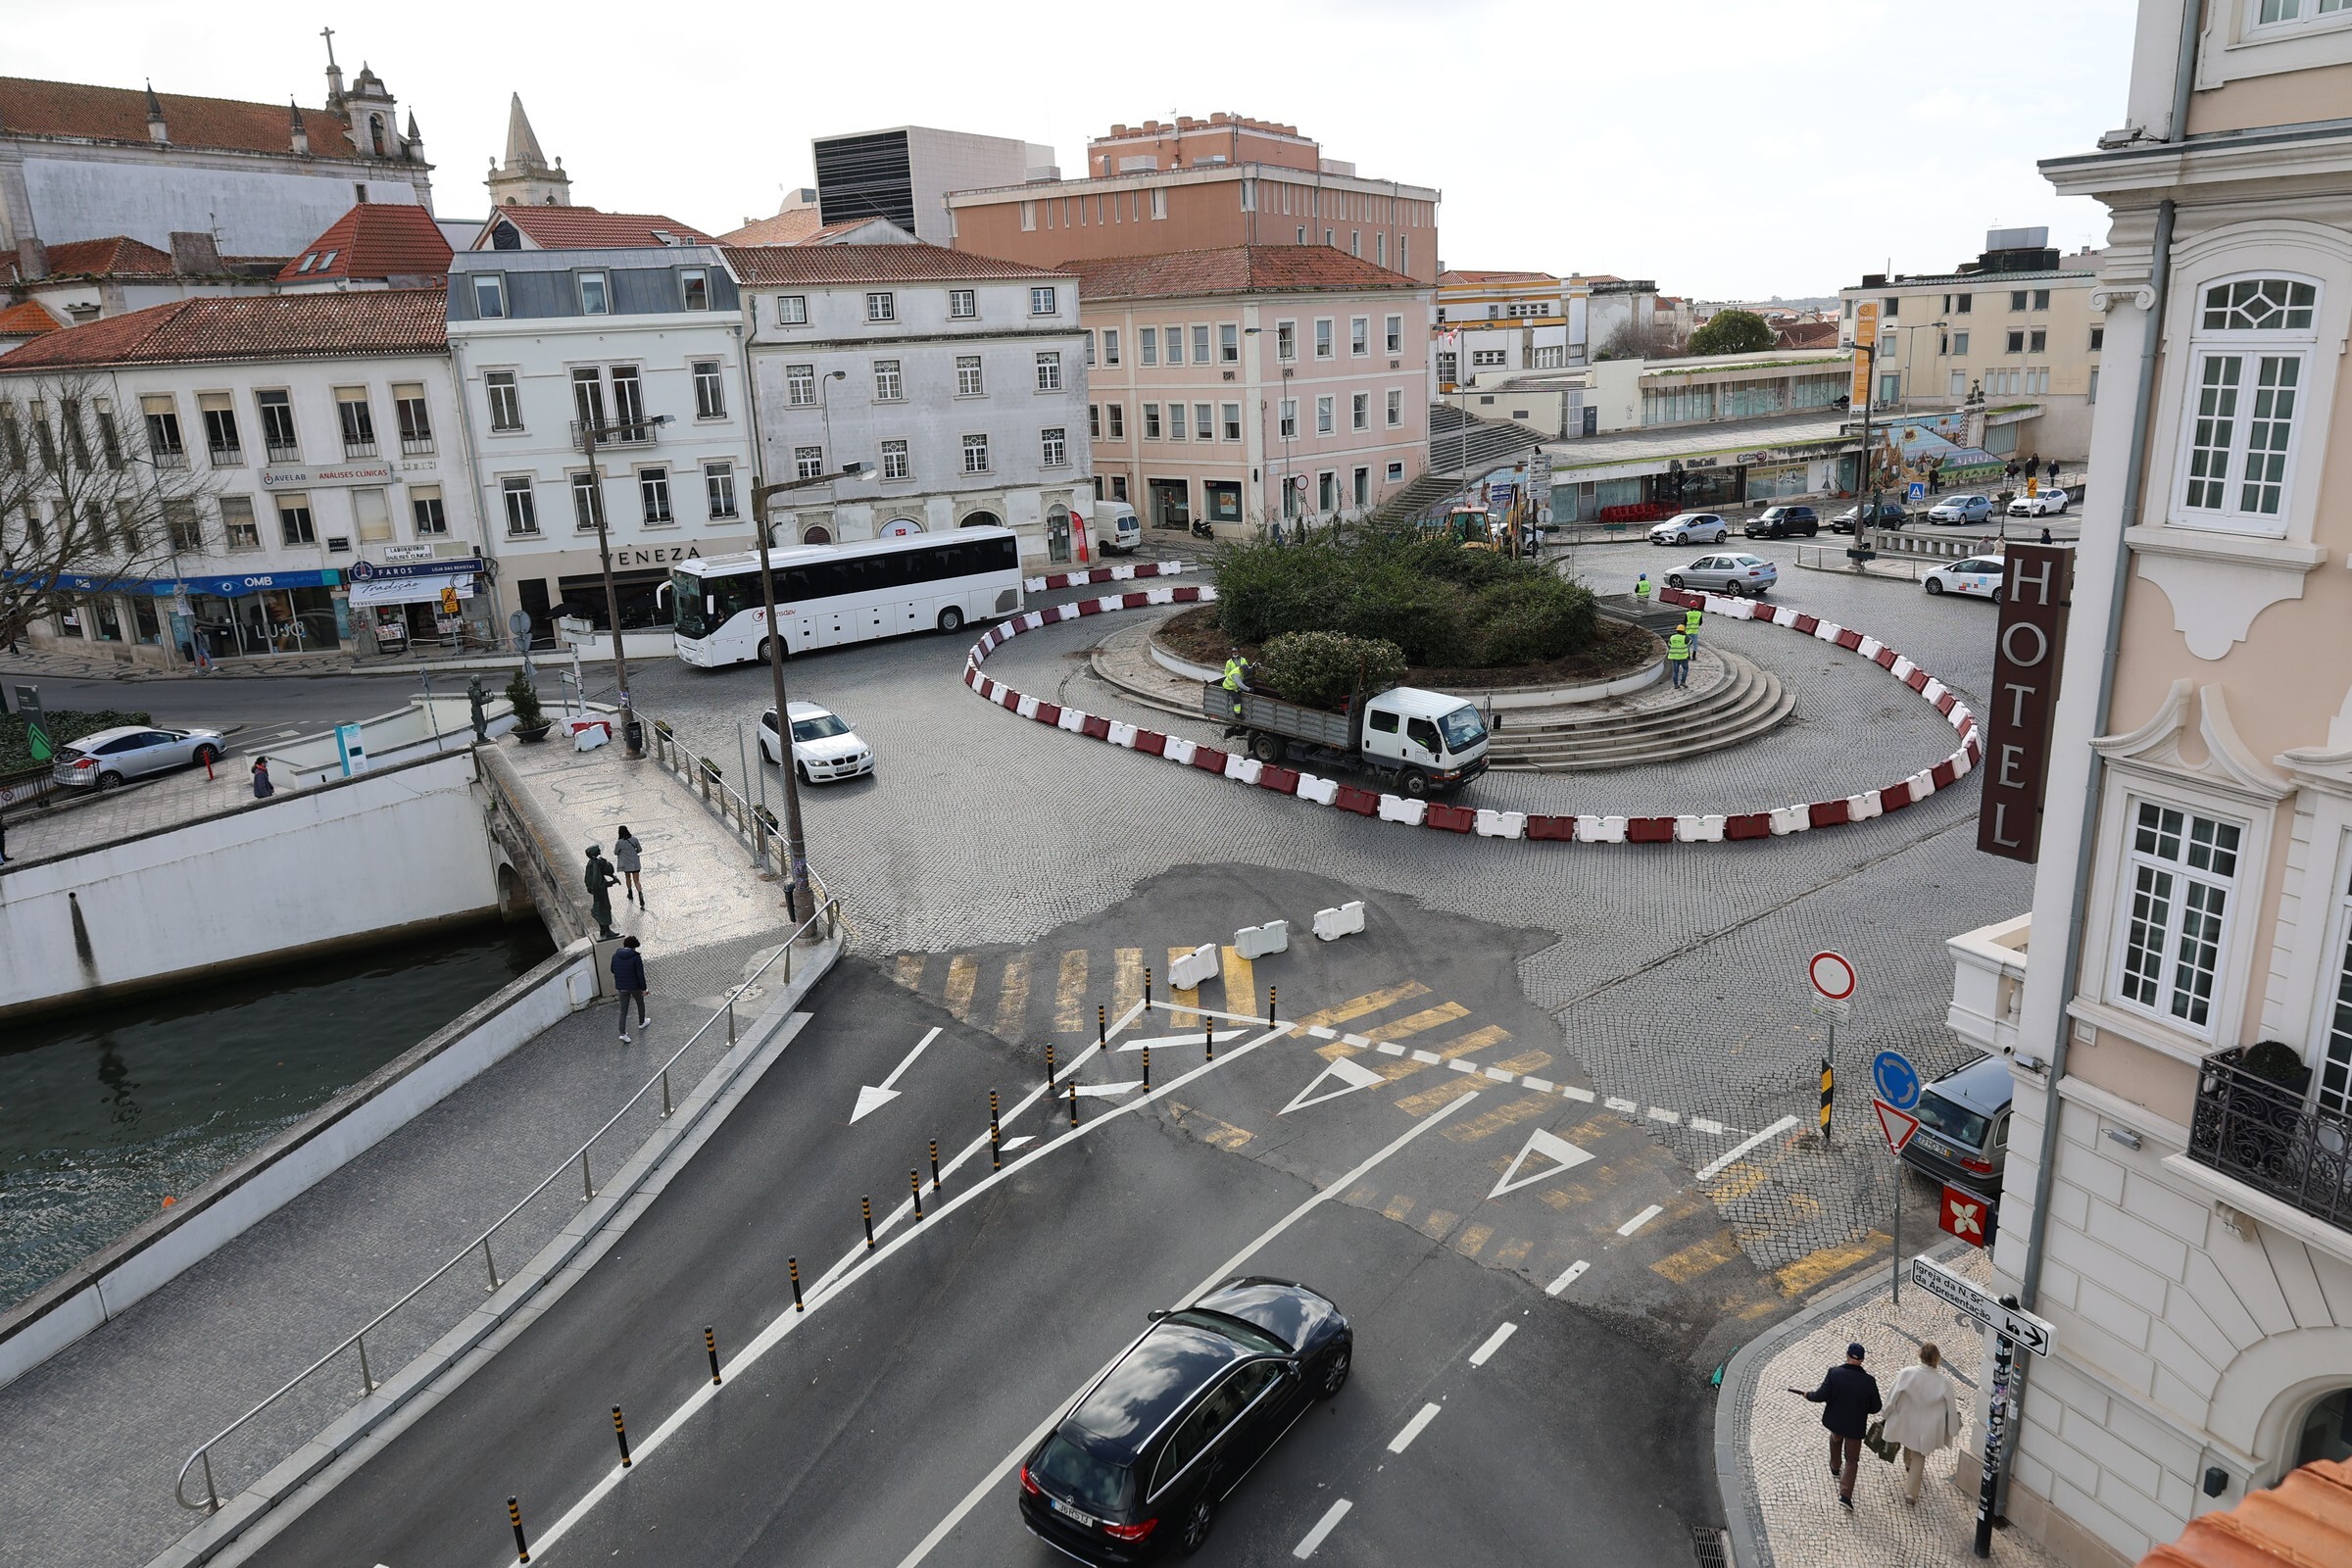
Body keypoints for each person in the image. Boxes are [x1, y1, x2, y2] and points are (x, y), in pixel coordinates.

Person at [1792, 1343, 1883, 1510]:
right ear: (1862, 1360)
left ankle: (1835, 1465)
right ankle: (1845, 1495)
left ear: (1847, 1355)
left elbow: (1821, 1395)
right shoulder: (1869, 1381)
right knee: (1853, 1458)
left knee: (1835, 1438)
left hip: (1836, 1421)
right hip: (1855, 1426)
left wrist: (1807, 1395)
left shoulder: (1835, 1373)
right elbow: (1876, 1407)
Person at [1882, 1343, 1961, 1505]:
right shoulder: (1944, 1382)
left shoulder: (1907, 1373)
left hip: (1907, 1419)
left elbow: (1892, 1395)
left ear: (1920, 1356)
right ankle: (1910, 1493)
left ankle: (1907, 1463)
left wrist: (1886, 1412)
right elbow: (1951, 1407)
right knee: (1919, 1453)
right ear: (1937, 1359)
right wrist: (1953, 1428)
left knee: (1908, 1441)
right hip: (1928, 1426)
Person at [612, 935, 648, 1044]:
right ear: (633, 947)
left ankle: (623, 1033)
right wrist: (644, 988)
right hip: (635, 986)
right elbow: (640, 974)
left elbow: (612, 970)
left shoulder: (615, 956)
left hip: (622, 987)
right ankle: (642, 1022)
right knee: (640, 1004)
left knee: (623, 1011)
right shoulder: (635, 957)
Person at [584, 844, 620, 942]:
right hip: (600, 892)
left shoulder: (593, 862)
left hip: (597, 892)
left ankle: (603, 930)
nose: (600, 851)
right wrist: (612, 882)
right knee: (604, 908)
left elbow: (603, 872)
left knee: (602, 907)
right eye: (598, 850)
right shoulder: (595, 864)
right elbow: (599, 882)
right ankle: (607, 930)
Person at [613, 825, 646, 908]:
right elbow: (639, 850)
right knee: (637, 880)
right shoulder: (634, 839)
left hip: (626, 864)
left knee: (628, 877)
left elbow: (616, 852)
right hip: (635, 864)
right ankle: (640, 894)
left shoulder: (619, 842)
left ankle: (630, 893)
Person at [1221, 651, 1251, 719]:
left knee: (1239, 693)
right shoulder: (1236, 674)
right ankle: (1237, 714)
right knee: (1237, 699)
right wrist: (1249, 689)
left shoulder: (1241, 668)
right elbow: (1240, 684)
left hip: (1234, 686)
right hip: (1228, 687)